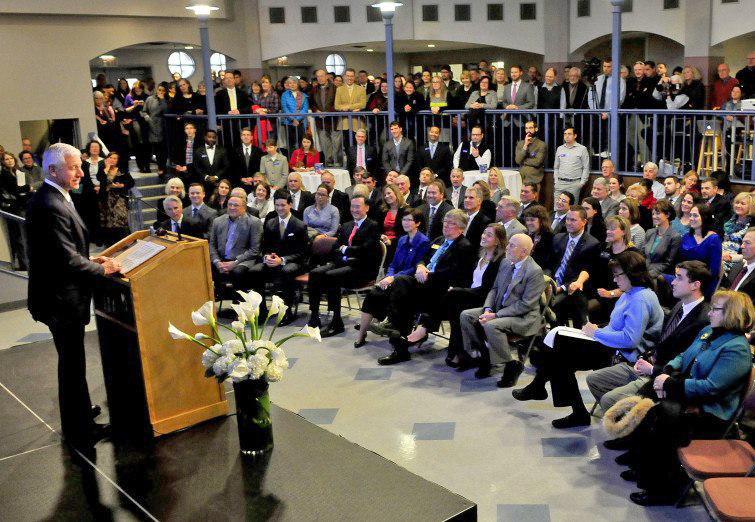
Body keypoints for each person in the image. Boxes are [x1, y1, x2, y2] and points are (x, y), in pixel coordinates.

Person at [26, 143, 122, 452]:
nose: (81, 172)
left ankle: (78, 412)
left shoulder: (56, 197)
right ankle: (80, 429)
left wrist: (92, 261)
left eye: (80, 166)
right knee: (72, 363)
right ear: (54, 170)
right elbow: (66, 260)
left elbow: (65, 251)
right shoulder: (49, 204)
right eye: (74, 167)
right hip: (60, 300)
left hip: (62, 297)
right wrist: (102, 269)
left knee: (72, 361)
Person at [626, 290, 753, 506]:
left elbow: (711, 388)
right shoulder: (708, 331)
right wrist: (667, 371)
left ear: (731, 314)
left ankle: (662, 490)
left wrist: (668, 383)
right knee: (653, 407)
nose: (709, 313)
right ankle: (643, 467)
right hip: (691, 398)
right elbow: (684, 356)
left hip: (710, 414)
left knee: (665, 418)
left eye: (715, 309)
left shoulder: (737, 349)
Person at [514, 250, 664, 429]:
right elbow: (617, 329)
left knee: (559, 351)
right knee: (559, 345)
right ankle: (545, 391)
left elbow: (629, 340)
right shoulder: (630, 293)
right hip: (613, 346)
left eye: (617, 275)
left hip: (625, 355)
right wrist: (596, 331)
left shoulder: (640, 299)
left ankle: (547, 391)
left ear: (632, 273)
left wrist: (596, 333)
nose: (614, 279)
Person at [587, 260, 711, 415]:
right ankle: (627, 420)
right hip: (648, 364)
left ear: (695, 285)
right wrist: (646, 358)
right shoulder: (679, 306)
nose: (673, 282)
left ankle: (631, 422)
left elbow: (688, 364)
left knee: (608, 400)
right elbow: (663, 343)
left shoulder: (703, 319)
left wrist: (652, 369)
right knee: (593, 380)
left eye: (679, 278)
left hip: (664, 378)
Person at [378, 210, 476, 365]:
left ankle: (399, 333)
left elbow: (454, 273)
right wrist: (421, 266)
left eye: (451, 223)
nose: (446, 225)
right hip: (423, 281)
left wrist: (429, 274)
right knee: (399, 285)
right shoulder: (439, 240)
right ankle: (399, 333)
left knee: (401, 289)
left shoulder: (464, 246)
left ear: (461, 227)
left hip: (441, 288)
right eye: (445, 221)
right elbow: (423, 258)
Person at [406, 224, 507, 369]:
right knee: (451, 299)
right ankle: (457, 352)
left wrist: (460, 290)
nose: (484, 236)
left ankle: (427, 326)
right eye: (484, 233)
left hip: (485, 300)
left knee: (454, 297)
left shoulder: (499, 261)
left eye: (489, 235)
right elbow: (468, 279)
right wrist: (459, 289)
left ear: (498, 241)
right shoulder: (479, 255)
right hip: (469, 295)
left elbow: (488, 289)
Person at [459, 232, 545, 386]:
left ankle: (511, 365)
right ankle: (484, 357)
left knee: (491, 325)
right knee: (467, 315)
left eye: (512, 245)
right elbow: (494, 289)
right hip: (499, 309)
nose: (507, 247)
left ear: (524, 251)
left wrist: (496, 315)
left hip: (522, 317)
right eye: (509, 243)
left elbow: (526, 305)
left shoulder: (534, 271)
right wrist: (487, 309)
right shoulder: (505, 263)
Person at [355, 209, 431, 348]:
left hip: (409, 282)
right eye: (404, 219)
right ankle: (361, 334)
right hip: (395, 278)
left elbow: (415, 267)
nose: (405, 223)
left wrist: (393, 278)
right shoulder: (401, 239)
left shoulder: (424, 241)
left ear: (418, 223)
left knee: (390, 292)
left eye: (409, 220)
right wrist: (389, 276)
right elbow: (393, 264)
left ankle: (388, 323)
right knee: (373, 293)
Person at [308, 195, 381, 336]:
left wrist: (346, 249)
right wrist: (345, 252)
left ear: (366, 208)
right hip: (343, 263)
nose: (354, 210)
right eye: (352, 206)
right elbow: (335, 247)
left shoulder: (373, 226)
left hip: (362, 269)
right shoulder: (347, 225)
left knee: (331, 275)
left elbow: (366, 250)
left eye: (358, 207)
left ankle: (336, 322)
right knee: (315, 273)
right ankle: (314, 316)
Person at [247, 190, 309, 325]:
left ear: (290, 205)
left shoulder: (300, 225)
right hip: (274, 260)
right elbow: (265, 247)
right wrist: (268, 257)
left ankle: (287, 312)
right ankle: (261, 311)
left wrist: (282, 260)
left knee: (286, 271)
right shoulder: (270, 223)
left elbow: (303, 252)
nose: (280, 208)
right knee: (254, 271)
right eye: (277, 205)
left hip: (294, 262)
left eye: (283, 205)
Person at [547, 206, 601, 329]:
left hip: (573, 287)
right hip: (552, 283)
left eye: (573, 220)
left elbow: (586, 272)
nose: (569, 223)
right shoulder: (558, 238)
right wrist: (547, 282)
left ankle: (558, 332)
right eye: (567, 219)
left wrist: (561, 288)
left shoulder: (592, 244)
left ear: (584, 222)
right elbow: (550, 266)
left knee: (554, 303)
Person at [208, 194, 263, 290]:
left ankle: (238, 298)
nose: (232, 207)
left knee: (237, 272)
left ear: (244, 208)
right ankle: (214, 297)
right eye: (230, 205)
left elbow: (254, 250)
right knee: (204, 268)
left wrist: (235, 262)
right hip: (221, 259)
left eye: (236, 205)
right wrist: (217, 262)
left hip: (243, 260)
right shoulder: (218, 221)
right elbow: (212, 245)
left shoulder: (254, 222)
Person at [670, 203, 723, 298]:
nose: (691, 218)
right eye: (690, 215)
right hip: (683, 277)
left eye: (695, 215)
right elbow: (678, 260)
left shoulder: (714, 239)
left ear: (704, 217)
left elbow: (714, 271)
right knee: (661, 279)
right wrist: (678, 271)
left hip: (701, 283)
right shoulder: (686, 236)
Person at [96, 151, 133, 246]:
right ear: (107, 159)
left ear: (117, 160)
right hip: (105, 199)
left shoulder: (122, 170)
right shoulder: (102, 169)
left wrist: (121, 185)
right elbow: (100, 178)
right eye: (111, 158)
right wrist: (107, 168)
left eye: (115, 158)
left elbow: (131, 182)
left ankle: (126, 242)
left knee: (121, 219)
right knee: (109, 221)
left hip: (119, 198)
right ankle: (111, 244)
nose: (112, 160)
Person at [552, 127, 590, 208]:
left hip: (574, 184)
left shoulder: (582, 149)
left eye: (569, 134)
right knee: (557, 208)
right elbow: (556, 167)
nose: (566, 136)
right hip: (560, 183)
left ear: (575, 135)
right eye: (565, 134)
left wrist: (582, 183)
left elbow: (586, 168)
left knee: (572, 209)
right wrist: (556, 181)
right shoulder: (560, 149)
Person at [310, 69, 340, 166]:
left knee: (336, 143)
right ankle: (328, 163)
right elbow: (311, 103)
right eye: (318, 76)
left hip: (334, 121)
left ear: (326, 76)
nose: (319, 78)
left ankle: (337, 162)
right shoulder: (314, 89)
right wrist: (316, 110)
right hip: (320, 121)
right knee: (325, 144)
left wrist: (328, 112)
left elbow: (337, 103)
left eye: (321, 76)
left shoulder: (335, 88)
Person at [644, 199, 681, 278]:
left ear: (667, 215)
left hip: (660, 276)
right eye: (653, 214)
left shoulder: (675, 236)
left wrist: (649, 275)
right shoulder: (649, 232)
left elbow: (668, 263)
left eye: (657, 213)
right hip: (644, 272)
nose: (654, 216)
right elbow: (643, 255)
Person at [721, 192, 755, 273]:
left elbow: (751, 254)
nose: (738, 206)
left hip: (738, 261)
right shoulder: (729, 219)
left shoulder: (753, 225)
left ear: (751, 206)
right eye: (737, 202)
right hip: (721, 255)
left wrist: (731, 257)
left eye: (742, 204)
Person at [142, 82, 168, 177]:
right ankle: (148, 167)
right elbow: (143, 111)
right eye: (159, 90)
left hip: (162, 125)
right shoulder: (150, 99)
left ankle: (162, 168)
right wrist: (147, 118)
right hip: (150, 124)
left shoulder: (166, 99)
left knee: (161, 149)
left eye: (163, 90)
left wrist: (162, 100)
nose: (160, 92)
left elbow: (166, 111)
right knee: (151, 147)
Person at [192, 130, 229, 196]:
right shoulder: (198, 151)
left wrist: (216, 176)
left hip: (219, 184)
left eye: (214, 137)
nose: (211, 139)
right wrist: (206, 176)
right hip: (203, 184)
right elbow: (196, 167)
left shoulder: (222, 150)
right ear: (205, 137)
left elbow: (226, 166)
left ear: (216, 138)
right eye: (209, 137)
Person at [721, 227, 755, 299]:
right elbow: (726, 289)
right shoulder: (736, 267)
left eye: (747, 243)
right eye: (743, 242)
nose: (742, 246)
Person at [378, 184, 408, 264]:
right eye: (385, 195)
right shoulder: (382, 211)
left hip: (400, 244)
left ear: (396, 193)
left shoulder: (406, 210)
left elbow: (408, 233)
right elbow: (376, 228)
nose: (386, 196)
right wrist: (381, 236)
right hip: (383, 244)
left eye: (389, 193)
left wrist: (392, 241)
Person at [515, 120, 547, 187]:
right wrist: (525, 145)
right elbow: (518, 160)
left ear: (536, 129)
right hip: (521, 178)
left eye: (530, 128)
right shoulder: (520, 143)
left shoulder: (541, 144)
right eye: (526, 128)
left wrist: (523, 161)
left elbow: (537, 162)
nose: (528, 130)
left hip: (534, 179)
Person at [281, 77, 309, 151]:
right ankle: (291, 158)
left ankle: (300, 158)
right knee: (290, 145)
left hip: (300, 122)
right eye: (290, 83)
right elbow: (285, 109)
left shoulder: (303, 95)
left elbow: (305, 109)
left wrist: (297, 119)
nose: (292, 85)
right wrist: (292, 119)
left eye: (294, 83)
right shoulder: (284, 95)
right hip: (288, 122)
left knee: (301, 144)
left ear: (297, 84)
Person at [232, 127, 263, 193]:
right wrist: (240, 179)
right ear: (241, 137)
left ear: (251, 137)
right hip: (239, 184)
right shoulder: (234, 151)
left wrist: (253, 178)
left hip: (255, 184)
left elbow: (260, 167)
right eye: (244, 135)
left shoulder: (258, 151)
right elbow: (232, 168)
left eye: (248, 135)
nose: (246, 137)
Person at [523, 204, 554, 270]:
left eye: (532, 220)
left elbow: (546, 263)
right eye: (527, 220)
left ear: (542, 221)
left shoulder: (550, 237)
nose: (529, 223)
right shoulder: (526, 235)